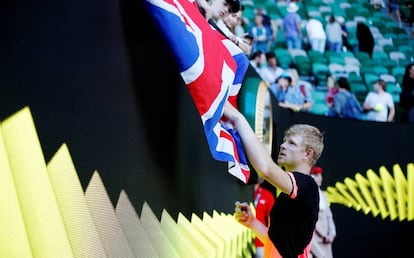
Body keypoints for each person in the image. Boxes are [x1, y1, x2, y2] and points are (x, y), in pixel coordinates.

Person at [227, 99, 324, 257]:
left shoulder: (306, 185)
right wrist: (252, 222)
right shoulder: (291, 193)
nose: (283, 145)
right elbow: (277, 242)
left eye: (291, 143)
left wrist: (238, 118)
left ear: (308, 153)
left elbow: (266, 169)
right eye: (285, 141)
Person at [309, 166, 336, 258]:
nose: (320, 178)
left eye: (320, 175)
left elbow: (329, 216)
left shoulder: (323, 195)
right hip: (313, 239)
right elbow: (311, 219)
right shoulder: (308, 196)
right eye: (316, 175)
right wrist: (323, 235)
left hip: (326, 240)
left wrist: (331, 234)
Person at [253, 177, 276, 258]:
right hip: (240, 240)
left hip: (260, 242)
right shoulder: (241, 191)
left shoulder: (267, 195)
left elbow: (273, 222)